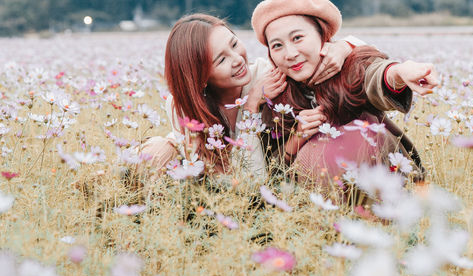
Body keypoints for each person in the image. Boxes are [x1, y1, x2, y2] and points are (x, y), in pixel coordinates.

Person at [250, 0, 435, 193]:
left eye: (297, 38)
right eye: (277, 45)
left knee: (353, 137)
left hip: (384, 181)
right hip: (317, 198)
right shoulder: (275, 95)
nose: (291, 54)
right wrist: (297, 139)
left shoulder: (349, 64)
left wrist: (399, 73)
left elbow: (373, 74)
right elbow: (273, 167)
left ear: (323, 35)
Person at [140, 13, 361, 179]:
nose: (237, 59)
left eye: (234, 44)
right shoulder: (182, 105)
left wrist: (343, 47)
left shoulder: (269, 75)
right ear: (200, 77)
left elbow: (255, 181)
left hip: (271, 179)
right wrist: (252, 104)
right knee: (156, 152)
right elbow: (237, 181)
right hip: (217, 189)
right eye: (221, 60)